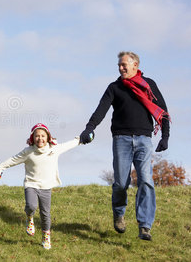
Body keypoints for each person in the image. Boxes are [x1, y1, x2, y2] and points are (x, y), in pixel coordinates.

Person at [79, 51, 170, 241]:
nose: (120, 68)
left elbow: (162, 111)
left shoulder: (148, 85)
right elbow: (101, 110)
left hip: (144, 139)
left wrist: (165, 137)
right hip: (121, 139)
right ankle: (119, 213)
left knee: (145, 180)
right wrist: (89, 128)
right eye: (119, 65)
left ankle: (145, 226)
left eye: (124, 65)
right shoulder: (114, 87)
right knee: (121, 182)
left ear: (135, 65)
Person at [0, 123, 80, 250]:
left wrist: (81, 139)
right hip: (31, 184)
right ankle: (30, 218)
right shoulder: (28, 152)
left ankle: (46, 236)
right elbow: (13, 159)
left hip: (46, 187)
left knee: (45, 214)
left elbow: (69, 145)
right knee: (31, 206)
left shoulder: (54, 149)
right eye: (37, 136)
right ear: (33, 138)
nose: (40, 138)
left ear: (48, 137)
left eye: (43, 136)